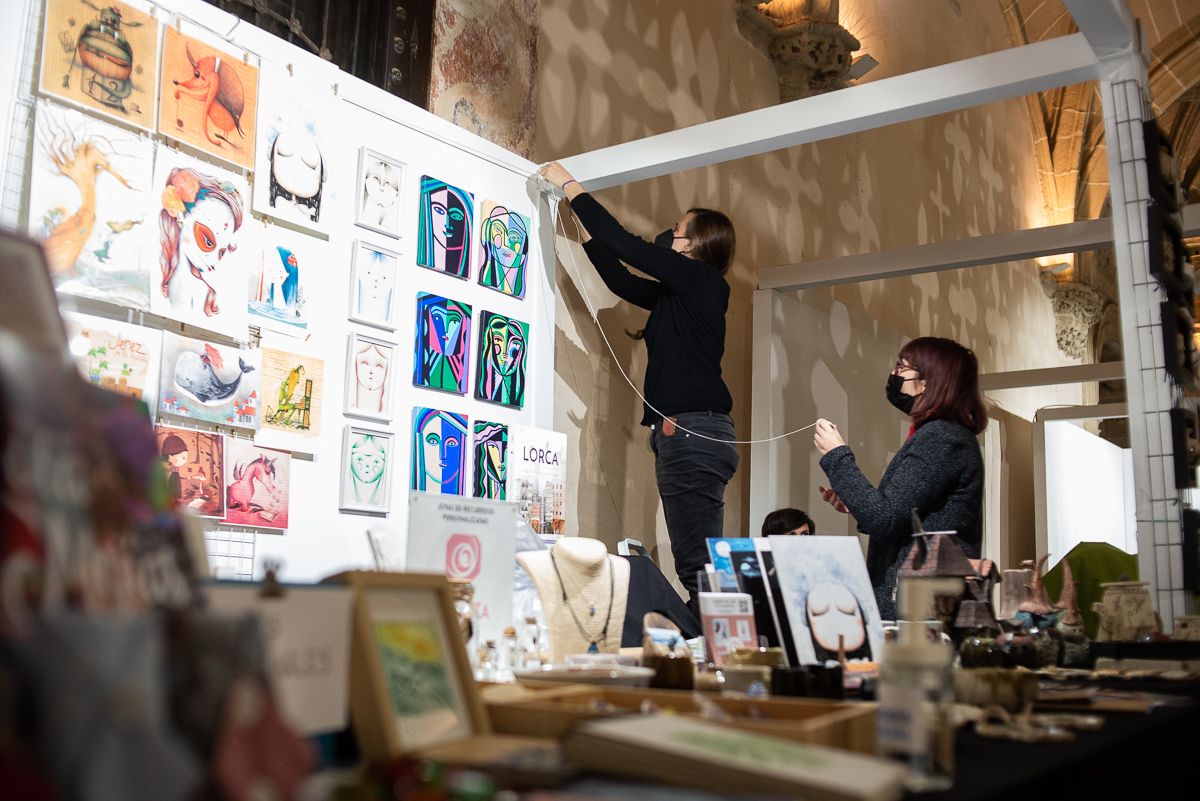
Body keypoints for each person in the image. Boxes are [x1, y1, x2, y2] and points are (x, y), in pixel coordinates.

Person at [540, 161, 737, 609]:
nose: (668, 235)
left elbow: (630, 248)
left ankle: (714, 653)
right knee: (700, 561)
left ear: (696, 244)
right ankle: (712, 647)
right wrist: (589, 236)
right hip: (694, 433)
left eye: (676, 230)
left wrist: (571, 186)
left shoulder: (700, 278)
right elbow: (623, 280)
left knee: (698, 566)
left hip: (692, 433)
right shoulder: (683, 292)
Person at [812, 337, 986, 620]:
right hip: (918, 606)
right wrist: (854, 501)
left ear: (928, 382)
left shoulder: (941, 438)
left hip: (920, 613)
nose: (894, 375)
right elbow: (899, 513)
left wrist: (837, 455)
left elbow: (885, 518)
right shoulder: (940, 435)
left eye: (901, 368)